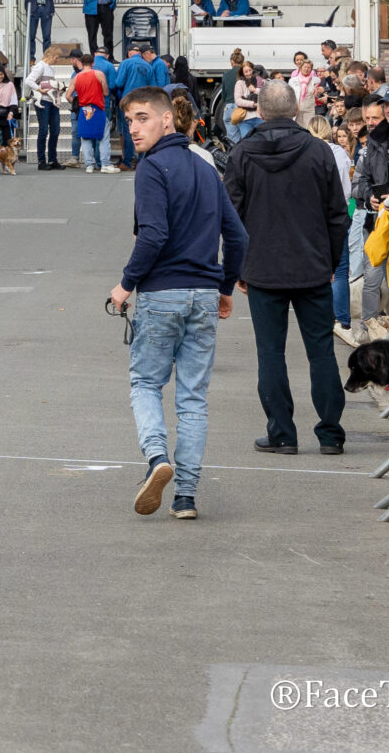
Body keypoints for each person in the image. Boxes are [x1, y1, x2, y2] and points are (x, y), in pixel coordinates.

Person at [112, 87, 247, 522]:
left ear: (167, 119)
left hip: (162, 291)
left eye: (142, 118)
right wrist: (225, 286)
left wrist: (125, 285)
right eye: (130, 120)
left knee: (146, 383)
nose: (134, 128)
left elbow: (152, 234)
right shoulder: (206, 167)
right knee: (192, 398)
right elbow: (238, 237)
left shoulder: (152, 167)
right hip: (204, 293)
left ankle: (157, 459)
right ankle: (185, 495)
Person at [222, 81, 349, 456]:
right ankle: (330, 434)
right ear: (296, 111)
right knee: (320, 350)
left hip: (263, 267)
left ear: (259, 111)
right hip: (311, 265)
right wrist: (332, 261)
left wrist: (238, 269)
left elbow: (231, 219)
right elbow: (337, 215)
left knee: (271, 353)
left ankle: (281, 432)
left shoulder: (242, 153)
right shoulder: (319, 151)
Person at [30, 47, 72, 172]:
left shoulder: (50, 68)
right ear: (50, 55)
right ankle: (41, 161)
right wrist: (39, 89)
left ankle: (52, 159)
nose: (57, 59)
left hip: (51, 100)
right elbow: (29, 80)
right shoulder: (40, 66)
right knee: (43, 130)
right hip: (43, 100)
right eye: (56, 57)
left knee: (55, 130)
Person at [73, 53, 111, 171]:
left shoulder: (77, 77)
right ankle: (105, 164)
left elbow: (68, 95)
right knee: (103, 137)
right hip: (98, 107)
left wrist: (76, 102)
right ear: (93, 63)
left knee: (86, 137)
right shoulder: (99, 74)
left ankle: (89, 165)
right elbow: (105, 92)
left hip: (84, 108)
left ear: (82, 63)